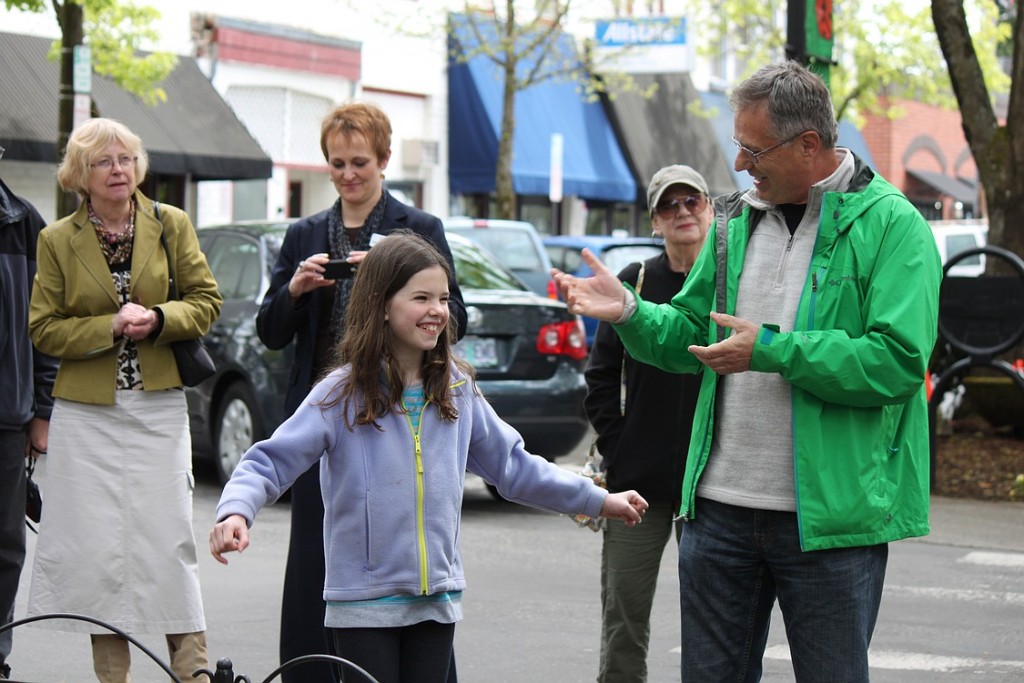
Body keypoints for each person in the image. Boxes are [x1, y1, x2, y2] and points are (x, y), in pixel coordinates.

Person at [554, 61, 941, 681]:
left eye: (752, 148)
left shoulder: (894, 227)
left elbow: (896, 363)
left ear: (809, 145)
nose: (738, 163)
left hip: (831, 526)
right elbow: (689, 334)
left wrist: (774, 350)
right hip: (716, 515)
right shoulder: (734, 222)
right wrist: (629, 311)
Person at [211, 231, 648, 683]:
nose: (438, 310)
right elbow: (271, 461)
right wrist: (236, 511)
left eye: (442, 297)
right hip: (363, 606)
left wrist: (596, 499)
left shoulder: (457, 389)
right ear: (382, 304)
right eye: (421, 297)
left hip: (436, 602)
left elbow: (514, 467)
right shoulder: (340, 394)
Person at [255, 101, 467, 682]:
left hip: (403, 414)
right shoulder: (304, 234)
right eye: (338, 164)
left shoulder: (418, 230)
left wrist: (395, 280)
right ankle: (311, 673)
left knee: (402, 564)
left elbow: (456, 319)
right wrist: (296, 290)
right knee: (314, 560)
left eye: (360, 163)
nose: (349, 175)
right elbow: (269, 331)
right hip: (326, 412)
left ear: (384, 161)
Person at [26, 118, 221, 682]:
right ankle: (113, 678)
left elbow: (206, 301)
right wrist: (107, 326)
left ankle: (194, 673)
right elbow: (44, 329)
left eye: (126, 159)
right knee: (97, 554)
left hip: (158, 408)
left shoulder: (170, 224)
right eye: (104, 162)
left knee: (168, 544)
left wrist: (159, 318)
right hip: (86, 415)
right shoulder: (56, 239)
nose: (118, 170)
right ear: (79, 175)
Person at [584, 165, 712, 683]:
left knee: (712, 623)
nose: (682, 212)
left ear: (709, 209)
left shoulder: (730, 280)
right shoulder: (635, 281)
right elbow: (598, 379)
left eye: (692, 201)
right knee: (625, 618)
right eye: (669, 206)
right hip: (639, 484)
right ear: (655, 221)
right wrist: (620, 449)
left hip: (711, 485)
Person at [0, 155, 58, 682]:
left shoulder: (23, 223)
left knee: (4, 546)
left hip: (7, 415)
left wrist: (42, 413)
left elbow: (44, 332)